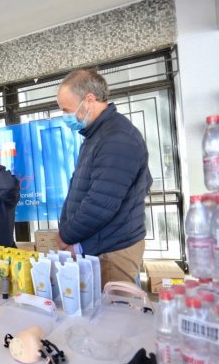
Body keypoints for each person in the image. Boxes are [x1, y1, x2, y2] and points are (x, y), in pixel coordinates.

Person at [55, 68, 152, 286]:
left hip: (112, 251)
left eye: (67, 110)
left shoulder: (116, 138)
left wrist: (66, 235)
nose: (65, 117)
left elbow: (100, 204)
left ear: (89, 100)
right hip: (101, 244)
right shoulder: (97, 134)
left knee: (115, 316)